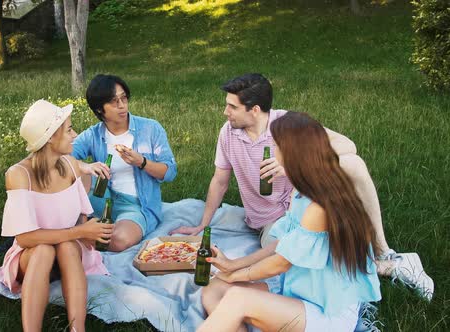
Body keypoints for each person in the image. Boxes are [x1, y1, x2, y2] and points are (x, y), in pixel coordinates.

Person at [169, 73, 433, 299]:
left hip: (303, 206)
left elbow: (348, 147)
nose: (225, 112)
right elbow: (220, 180)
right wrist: (203, 223)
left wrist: (292, 166)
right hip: (271, 219)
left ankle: (384, 253)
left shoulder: (288, 126)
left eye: (232, 107)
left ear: (255, 109)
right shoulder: (228, 133)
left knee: (352, 163)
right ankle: (383, 268)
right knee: (291, 264)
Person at [198, 112, 382, 332]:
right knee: (214, 287)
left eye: (276, 145)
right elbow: (283, 244)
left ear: (291, 152)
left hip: (325, 312)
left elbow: (281, 263)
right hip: (298, 289)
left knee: (237, 297)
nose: (273, 151)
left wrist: (235, 275)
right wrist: (232, 265)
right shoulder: (301, 189)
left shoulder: (318, 207)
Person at [0, 100, 114, 332]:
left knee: (66, 246)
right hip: (33, 254)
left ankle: (78, 329)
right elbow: (25, 239)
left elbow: (80, 217)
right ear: (50, 138)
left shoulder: (70, 165)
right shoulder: (19, 175)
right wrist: (80, 232)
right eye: (68, 129)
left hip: (69, 250)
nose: (75, 134)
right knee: (44, 249)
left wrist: (88, 232)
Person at [72, 74, 177, 252]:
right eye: (114, 102)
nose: (122, 106)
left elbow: (170, 172)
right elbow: (61, 157)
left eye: (124, 98)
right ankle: (81, 228)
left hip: (135, 205)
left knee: (118, 240)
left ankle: (78, 237)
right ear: (99, 109)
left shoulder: (150, 128)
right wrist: (86, 166)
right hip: (101, 198)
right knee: (74, 169)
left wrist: (142, 162)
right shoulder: (94, 134)